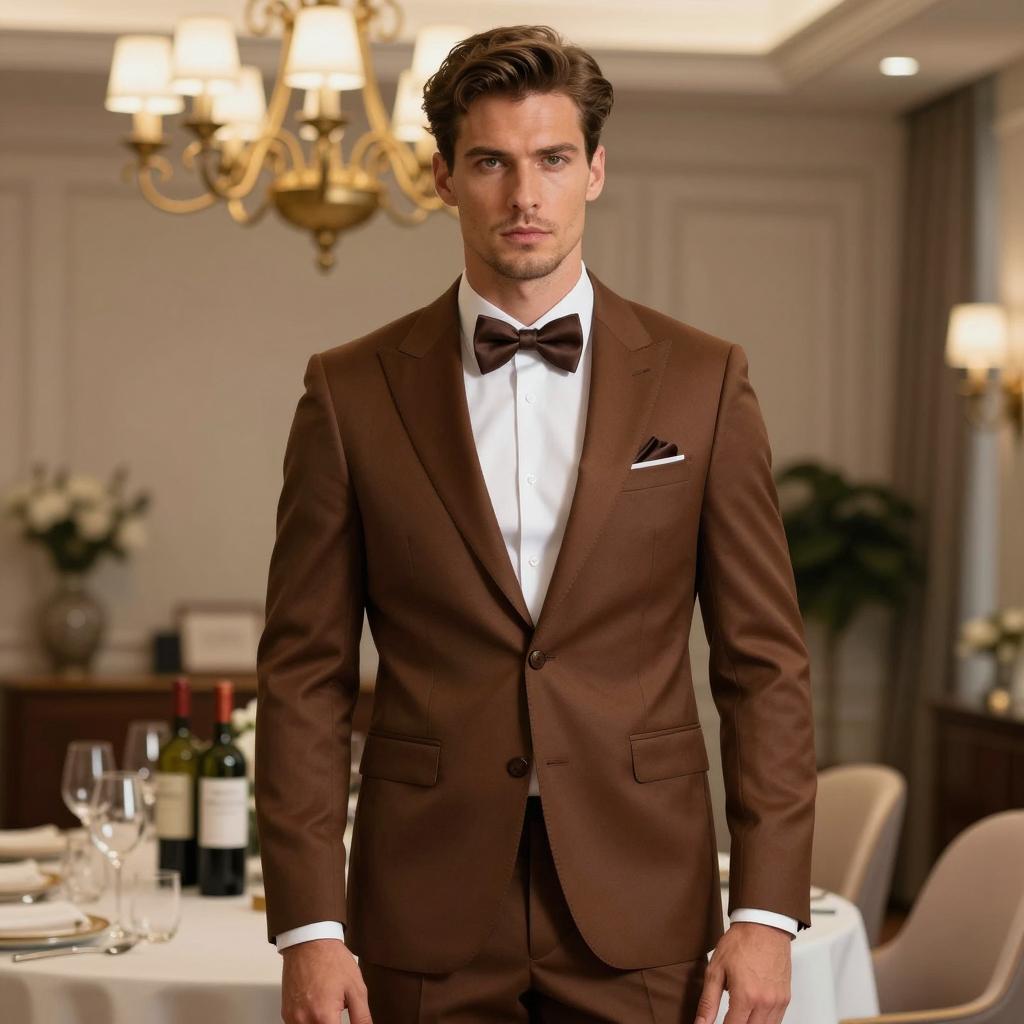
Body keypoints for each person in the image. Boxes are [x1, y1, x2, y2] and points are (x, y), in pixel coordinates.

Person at [255, 23, 817, 1024]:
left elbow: (762, 661)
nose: (525, 196)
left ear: (594, 170)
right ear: (441, 177)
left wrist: (766, 910)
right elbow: (304, 673)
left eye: (553, 160)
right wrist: (309, 926)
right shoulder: (348, 391)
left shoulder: (702, 379)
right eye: (491, 162)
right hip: (419, 905)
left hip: (642, 900)